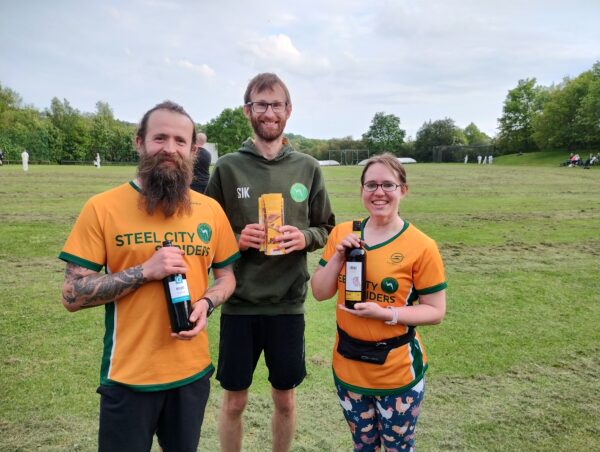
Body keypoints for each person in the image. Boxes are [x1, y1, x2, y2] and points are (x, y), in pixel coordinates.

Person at [58, 101, 240, 452]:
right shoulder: (103, 207)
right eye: (159, 138)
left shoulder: (210, 210)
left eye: (179, 140)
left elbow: (227, 277)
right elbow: (72, 294)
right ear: (139, 142)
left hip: (191, 376)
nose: (169, 148)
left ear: (193, 150)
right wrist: (145, 271)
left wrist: (207, 302)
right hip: (128, 379)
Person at [205, 72, 335, 452]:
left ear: (288, 110)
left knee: (285, 399)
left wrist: (304, 237)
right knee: (234, 401)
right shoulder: (227, 168)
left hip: (287, 305)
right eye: (260, 104)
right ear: (248, 111)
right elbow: (206, 232)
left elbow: (326, 227)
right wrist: (236, 238)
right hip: (240, 305)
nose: (269, 112)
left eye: (276, 104)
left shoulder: (307, 168)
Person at [311, 153, 447, 451]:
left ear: (403, 190)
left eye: (388, 184)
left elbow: (435, 310)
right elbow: (320, 292)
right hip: (348, 367)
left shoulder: (422, 246)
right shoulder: (343, 233)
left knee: (398, 447)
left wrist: (385, 313)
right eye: (371, 185)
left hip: (396, 372)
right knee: (364, 447)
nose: (379, 192)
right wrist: (337, 256)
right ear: (361, 190)